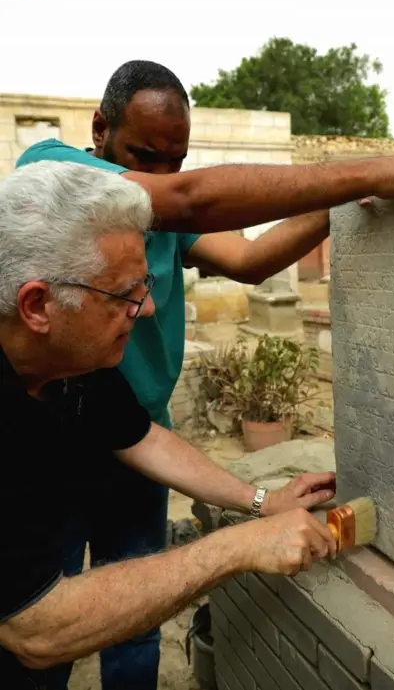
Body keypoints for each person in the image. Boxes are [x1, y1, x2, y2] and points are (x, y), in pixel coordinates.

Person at [17, 60, 394, 690]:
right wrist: (374, 167)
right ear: (99, 129)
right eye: (144, 155)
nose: (146, 305)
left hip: (137, 431)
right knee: (48, 619)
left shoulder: (100, 377)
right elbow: (37, 627)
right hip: (59, 449)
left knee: (139, 613)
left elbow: (249, 258)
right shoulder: (55, 174)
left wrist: (342, 201)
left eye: (173, 160)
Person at [0, 160, 339, 690]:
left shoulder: (70, 362)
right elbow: (37, 627)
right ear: (38, 305)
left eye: (146, 285)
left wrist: (261, 503)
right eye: (125, 294)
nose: (150, 307)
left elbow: (142, 437)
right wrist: (240, 546)